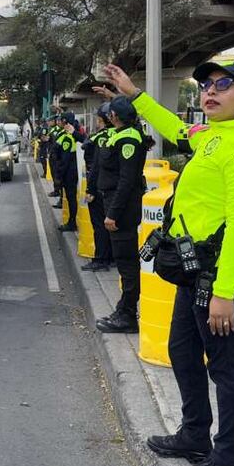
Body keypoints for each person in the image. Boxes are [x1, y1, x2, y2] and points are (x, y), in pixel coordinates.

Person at [103, 60, 234, 466]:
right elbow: (175, 128)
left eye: (224, 85)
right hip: (194, 270)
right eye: (205, 85)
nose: (210, 91)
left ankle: (227, 464)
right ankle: (195, 435)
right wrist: (134, 92)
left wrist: (224, 293)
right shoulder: (212, 136)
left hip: (222, 274)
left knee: (227, 370)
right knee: (182, 350)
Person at [93, 97, 148, 331]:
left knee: (126, 262)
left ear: (114, 116)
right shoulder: (122, 133)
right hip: (115, 203)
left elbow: (126, 180)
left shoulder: (129, 139)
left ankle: (126, 315)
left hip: (122, 208)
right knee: (124, 259)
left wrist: (113, 213)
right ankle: (124, 309)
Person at [81, 103, 114, 272]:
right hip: (114, 189)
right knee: (112, 224)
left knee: (99, 225)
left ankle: (101, 259)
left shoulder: (98, 138)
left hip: (99, 187)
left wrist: (89, 190)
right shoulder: (119, 135)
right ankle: (110, 257)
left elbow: (94, 166)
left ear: (102, 119)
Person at [51, 112, 82, 231]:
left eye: (61, 120)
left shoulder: (67, 137)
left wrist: (58, 176)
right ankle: (71, 221)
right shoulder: (65, 134)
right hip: (69, 172)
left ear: (65, 121)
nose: (59, 122)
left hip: (69, 174)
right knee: (70, 198)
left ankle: (72, 222)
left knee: (71, 198)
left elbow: (64, 160)